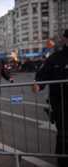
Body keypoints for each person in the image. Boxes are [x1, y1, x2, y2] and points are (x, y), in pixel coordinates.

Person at [33, 29, 68, 167]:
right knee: (64, 135)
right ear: (65, 39)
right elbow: (43, 75)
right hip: (61, 104)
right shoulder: (55, 57)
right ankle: (63, 161)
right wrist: (38, 85)